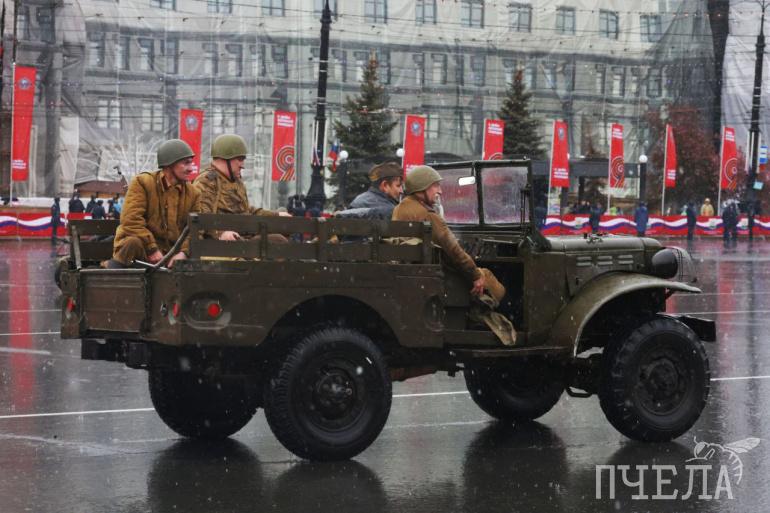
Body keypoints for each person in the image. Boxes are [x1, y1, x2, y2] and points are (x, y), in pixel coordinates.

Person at [392, 165, 504, 300]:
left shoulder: (399, 209)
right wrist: (475, 275)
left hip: (410, 272)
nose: (440, 191)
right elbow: (453, 250)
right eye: (435, 186)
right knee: (487, 278)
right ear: (422, 188)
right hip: (435, 275)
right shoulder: (428, 214)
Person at [104, 139, 200, 268]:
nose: (191, 169)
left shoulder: (193, 193)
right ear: (170, 164)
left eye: (191, 163)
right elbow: (131, 220)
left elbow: (195, 229)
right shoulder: (143, 183)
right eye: (186, 163)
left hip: (173, 255)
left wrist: (183, 253)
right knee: (132, 242)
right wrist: (152, 249)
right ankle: (113, 276)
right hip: (141, 251)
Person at [194, 134, 287, 241]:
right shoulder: (207, 181)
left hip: (244, 237)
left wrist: (276, 215)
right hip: (227, 243)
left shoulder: (236, 181)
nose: (242, 165)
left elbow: (246, 211)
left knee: (283, 222)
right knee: (278, 240)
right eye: (240, 159)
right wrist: (220, 234)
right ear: (225, 158)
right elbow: (202, 217)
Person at [336, 162, 404, 220]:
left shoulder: (359, 199)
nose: (401, 191)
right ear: (385, 185)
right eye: (398, 186)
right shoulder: (389, 209)